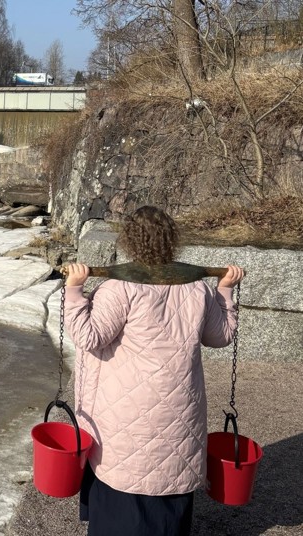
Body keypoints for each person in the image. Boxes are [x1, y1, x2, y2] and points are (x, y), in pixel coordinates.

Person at [63, 206, 244, 536]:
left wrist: (75, 291)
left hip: (127, 410)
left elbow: (89, 337)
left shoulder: (120, 288)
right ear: (172, 241)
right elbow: (221, 336)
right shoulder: (198, 288)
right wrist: (226, 290)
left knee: (126, 475)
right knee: (170, 468)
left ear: (130, 242)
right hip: (179, 406)